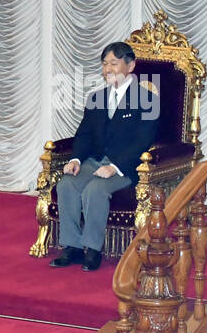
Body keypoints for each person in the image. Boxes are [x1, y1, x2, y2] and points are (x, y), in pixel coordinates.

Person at [50, 42, 160, 272]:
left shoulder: (147, 99)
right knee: (67, 184)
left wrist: (115, 167)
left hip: (125, 167)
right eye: (104, 64)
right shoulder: (96, 97)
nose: (108, 69)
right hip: (94, 161)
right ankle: (72, 246)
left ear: (130, 66)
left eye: (113, 63)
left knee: (95, 189)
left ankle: (92, 249)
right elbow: (84, 134)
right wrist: (76, 160)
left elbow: (142, 141)